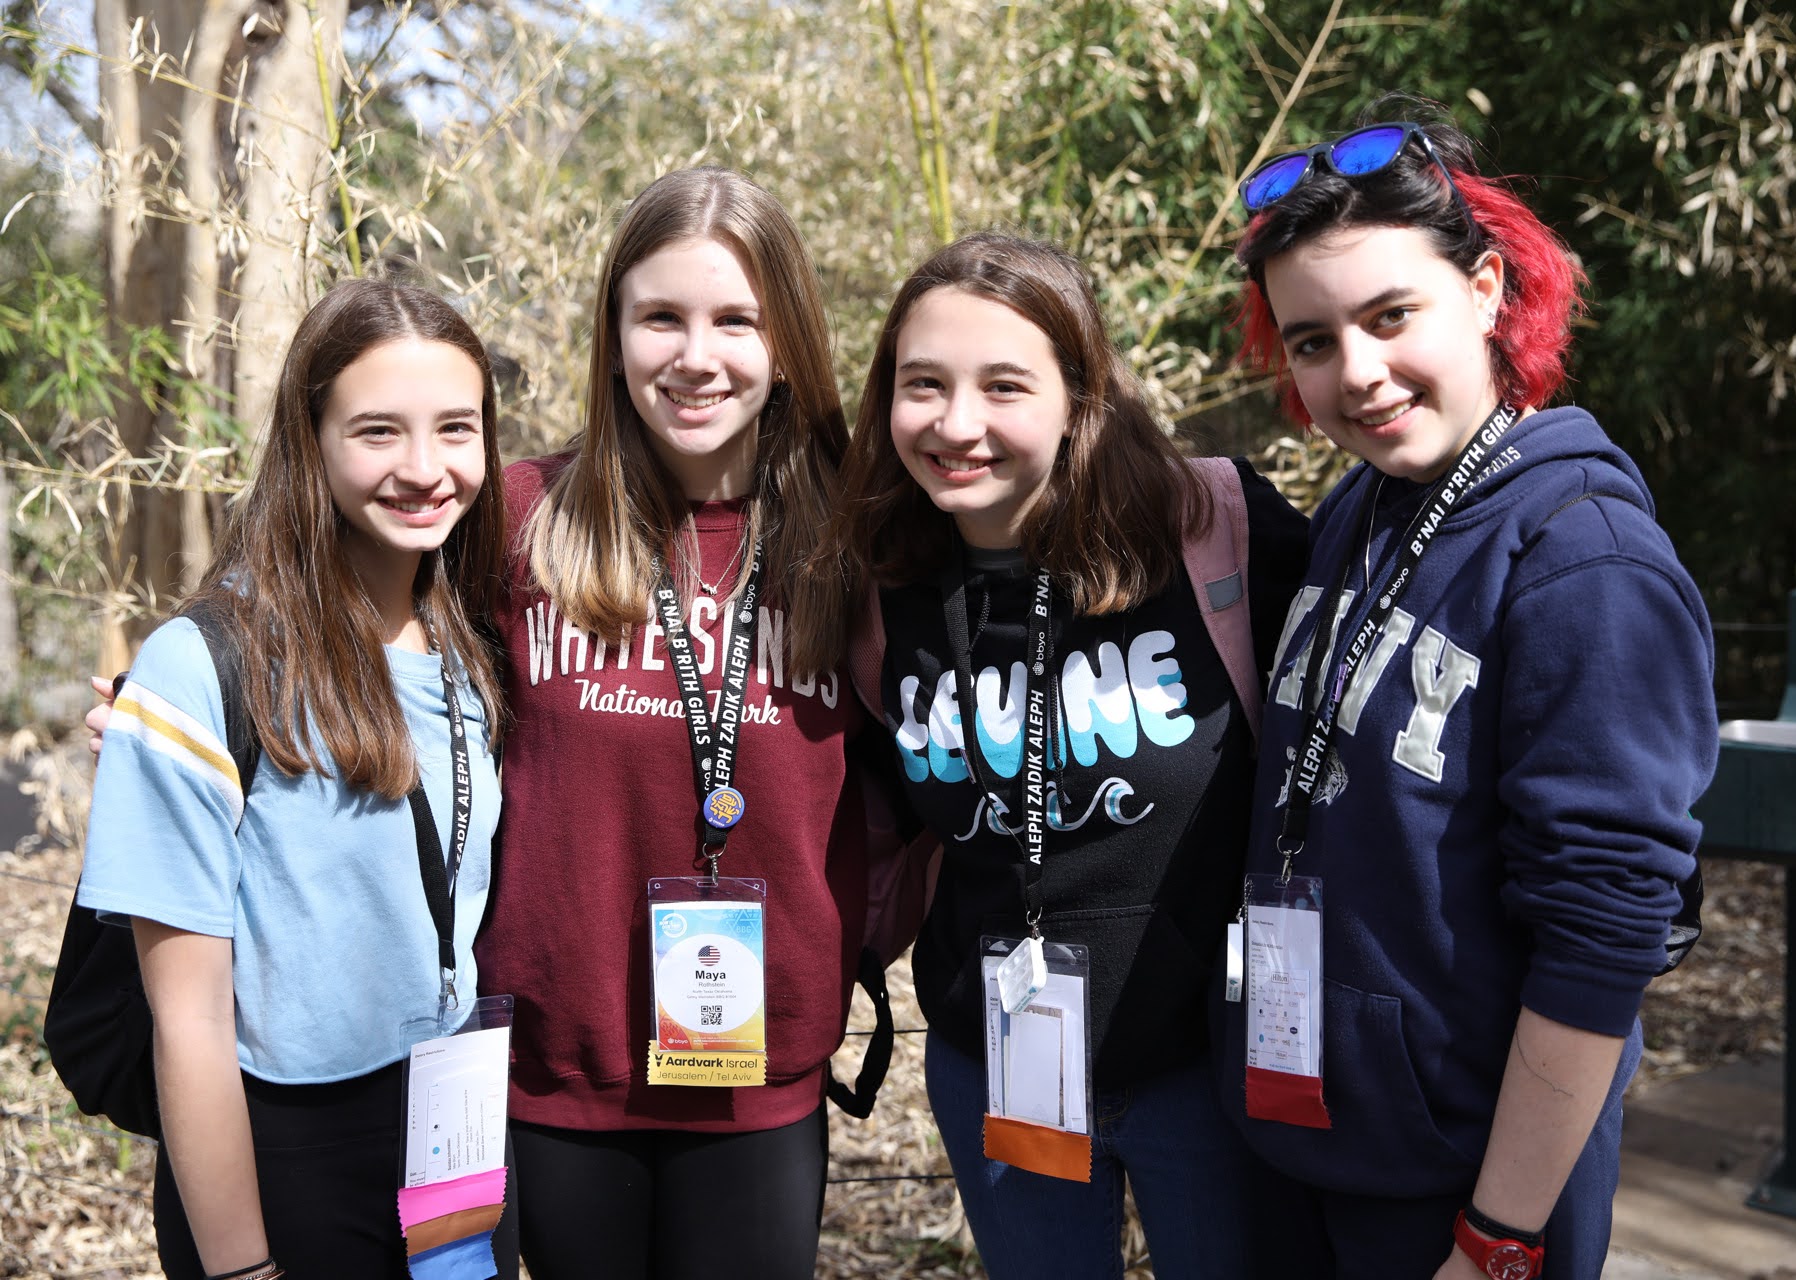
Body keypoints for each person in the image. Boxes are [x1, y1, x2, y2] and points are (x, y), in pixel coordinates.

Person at [1222, 112, 1718, 1279]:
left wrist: (1498, 1235)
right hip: (1308, 1139)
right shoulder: (1364, 507)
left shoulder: (1588, 563)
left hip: (1466, 1190)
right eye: (1310, 340)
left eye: (1392, 316)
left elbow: (1605, 935)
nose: (1357, 374)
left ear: (1488, 287)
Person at [829, 231, 1310, 1279]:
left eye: (1004, 384)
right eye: (924, 384)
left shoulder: (1211, 531)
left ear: (1079, 393)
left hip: (1210, 1061)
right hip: (1001, 1055)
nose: (957, 424)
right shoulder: (877, 584)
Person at [77, 279, 513, 1280]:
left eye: (456, 427)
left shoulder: (470, 638)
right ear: (308, 438)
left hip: (456, 1120)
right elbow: (188, 1017)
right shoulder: (208, 668)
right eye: (376, 431)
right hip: (286, 1147)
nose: (423, 468)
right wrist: (241, 1266)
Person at [475, 166, 866, 1279]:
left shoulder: (861, 542)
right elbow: (352, 630)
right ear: (612, 337)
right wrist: (201, 698)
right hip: (554, 1070)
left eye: (736, 318)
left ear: (786, 340)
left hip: (760, 1072)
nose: (696, 356)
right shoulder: (516, 518)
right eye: (661, 317)